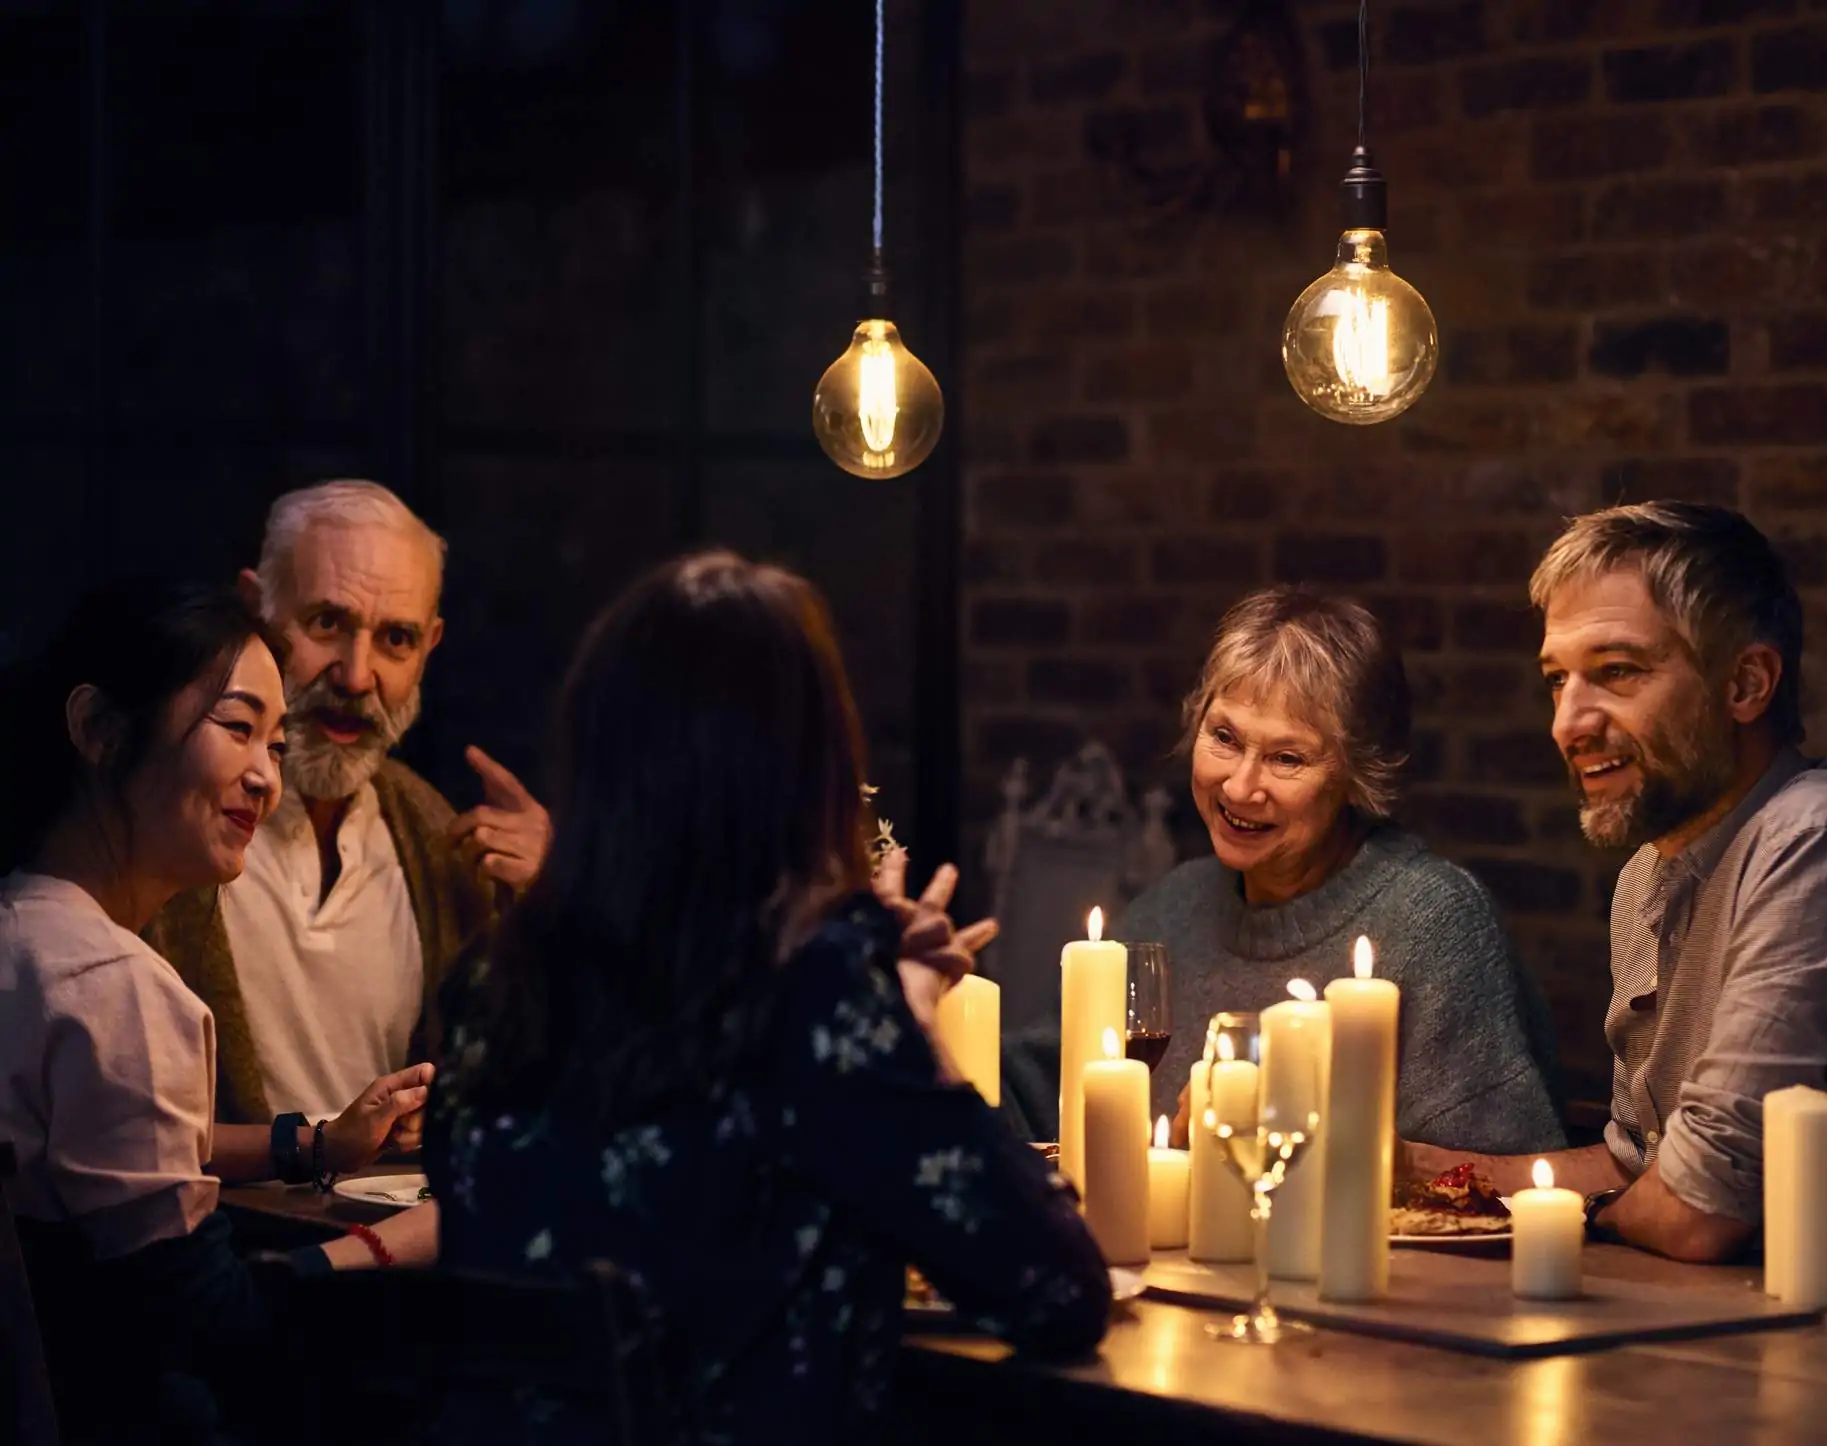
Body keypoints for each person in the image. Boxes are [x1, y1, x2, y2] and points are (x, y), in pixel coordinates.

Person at [426, 551, 1109, 1442]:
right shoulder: (812, 1002)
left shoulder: (491, 984)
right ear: (807, 769)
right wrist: (909, 1018)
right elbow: (1058, 1291)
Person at [1423, 501, 1827, 1289]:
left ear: (1745, 683)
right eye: (1555, 680)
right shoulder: (1648, 869)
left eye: (1616, 673)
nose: (1568, 722)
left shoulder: (1822, 837)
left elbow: (1698, 1210)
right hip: (1701, 1337)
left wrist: (1597, 1204)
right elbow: (1637, 1166)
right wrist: (1416, 1170)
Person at [0, 579, 438, 1443]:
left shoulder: (24, 931)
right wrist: (400, 1244)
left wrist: (313, 1142)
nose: (265, 778)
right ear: (98, 730)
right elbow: (207, 1321)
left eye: (277, 745)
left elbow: (89, 1151)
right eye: (238, 729)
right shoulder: (112, 984)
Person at [148, 479, 552, 1126]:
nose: (356, 676)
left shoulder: (437, 841)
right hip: (219, 1224)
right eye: (327, 623)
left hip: (390, 1225)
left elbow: (525, 1088)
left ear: (430, 649)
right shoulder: (164, 818)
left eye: (396, 639)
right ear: (253, 609)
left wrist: (552, 907)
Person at [1119, 586, 1566, 1156]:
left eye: (1287, 758)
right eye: (1225, 738)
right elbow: (1044, 1085)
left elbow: (1500, 1187)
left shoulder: (1433, 922)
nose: (1238, 787)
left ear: (1358, 774)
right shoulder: (1168, 909)